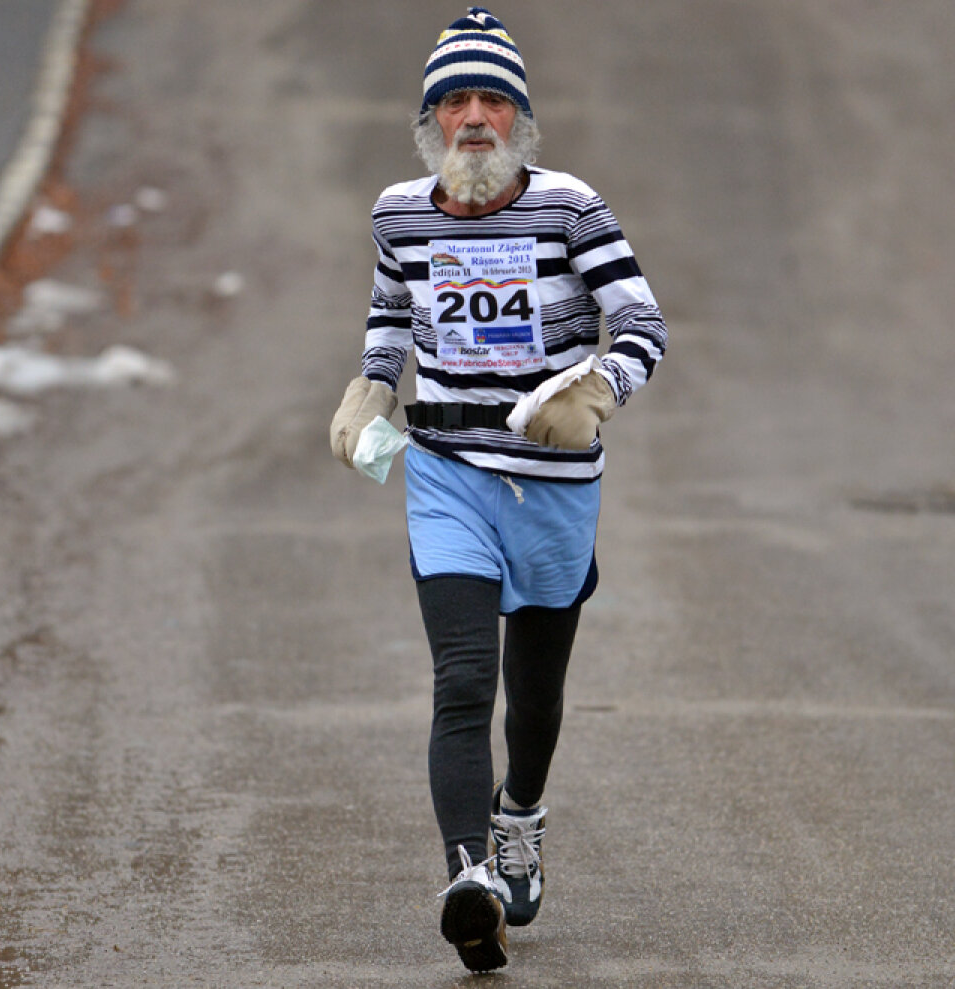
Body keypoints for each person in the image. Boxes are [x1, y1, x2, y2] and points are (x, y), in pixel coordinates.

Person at [329, 6, 667, 973]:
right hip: (446, 476)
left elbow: (643, 325)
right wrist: (372, 386)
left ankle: (519, 813)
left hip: (553, 487)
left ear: (520, 118)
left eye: (492, 100)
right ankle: (468, 879)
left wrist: (596, 390)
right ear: (429, 120)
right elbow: (391, 312)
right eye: (454, 102)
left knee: (535, 693)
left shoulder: (570, 209)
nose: (473, 118)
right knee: (464, 677)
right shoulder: (399, 213)